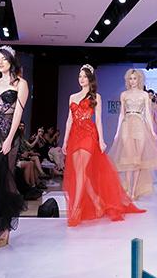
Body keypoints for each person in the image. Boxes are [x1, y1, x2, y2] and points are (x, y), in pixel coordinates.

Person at [61, 64, 143, 226]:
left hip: (89, 135)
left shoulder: (95, 97)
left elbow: (98, 120)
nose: (81, 79)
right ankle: (97, 201)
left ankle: (76, 209)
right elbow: (69, 120)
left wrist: (102, 140)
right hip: (74, 136)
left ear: (90, 78)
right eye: (80, 76)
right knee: (80, 173)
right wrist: (64, 140)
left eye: (84, 76)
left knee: (81, 172)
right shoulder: (72, 97)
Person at [0, 45, 28, 247]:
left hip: (8, 133)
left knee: (7, 177)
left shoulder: (21, 84)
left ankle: (5, 229)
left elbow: (18, 114)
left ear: (12, 60)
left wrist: (10, 138)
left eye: (4, 59)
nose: (0, 62)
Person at [109, 69, 157, 199]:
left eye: (135, 78)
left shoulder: (144, 95)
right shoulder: (124, 95)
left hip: (140, 125)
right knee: (129, 160)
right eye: (130, 78)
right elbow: (121, 114)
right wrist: (117, 132)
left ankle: (133, 192)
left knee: (138, 160)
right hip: (126, 125)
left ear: (139, 80)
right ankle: (127, 190)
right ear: (127, 80)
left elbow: (148, 115)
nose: (132, 81)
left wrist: (152, 131)